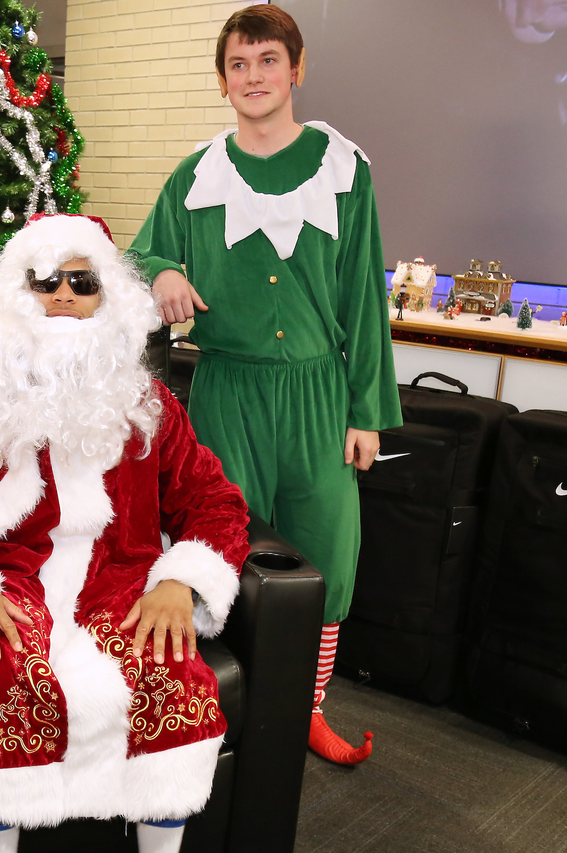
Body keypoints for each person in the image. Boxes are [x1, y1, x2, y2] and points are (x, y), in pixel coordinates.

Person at [0, 214, 251, 853]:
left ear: (105, 298)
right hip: (7, 581)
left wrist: (182, 582)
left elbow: (214, 502)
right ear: (17, 295)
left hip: (122, 580)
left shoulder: (149, 405)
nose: (61, 294)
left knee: (165, 665)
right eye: (42, 280)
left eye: (80, 281)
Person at [128, 5, 402, 766]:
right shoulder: (197, 172)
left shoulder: (346, 168)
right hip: (226, 391)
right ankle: (212, 705)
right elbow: (141, 254)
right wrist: (167, 271)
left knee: (325, 557)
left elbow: (361, 302)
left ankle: (304, 710)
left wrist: (367, 413)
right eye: (239, 65)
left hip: (320, 398)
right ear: (222, 81)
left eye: (268, 61)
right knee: (218, 551)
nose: (254, 77)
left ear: (297, 68)